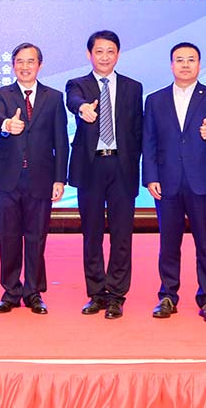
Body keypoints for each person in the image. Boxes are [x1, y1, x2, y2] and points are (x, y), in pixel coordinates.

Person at [142, 42, 206, 324]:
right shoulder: (155, 100)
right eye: (179, 60)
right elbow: (149, 141)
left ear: (199, 64)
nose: (185, 65)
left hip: (202, 180)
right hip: (166, 181)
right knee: (169, 242)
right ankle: (168, 295)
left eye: (191, 59)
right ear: (171, 65)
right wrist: (150, 177)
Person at [65, 30, 142, 319]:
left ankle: (117, 295)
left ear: (118, 54)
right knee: (92, 234)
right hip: (91, 167)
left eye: (110, 51)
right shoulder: (78, 85)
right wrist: (83, 108)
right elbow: (73, 100)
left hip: (122, 167)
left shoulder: (133, 87)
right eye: (99, 51)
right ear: (90, 55)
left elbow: (137, 129)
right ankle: (96, 293)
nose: (105, 57)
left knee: (122, 235)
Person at [0, 43, 68, 315]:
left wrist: (60, 179)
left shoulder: (54, 97)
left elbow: (61, 141)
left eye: (30, 61)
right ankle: (11, 291)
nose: (25, 67)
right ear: (13, 65)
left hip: (41, 178)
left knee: (36, 237)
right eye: (20, 61)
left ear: (39, 65)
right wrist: (6, 125)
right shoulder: (1, 94)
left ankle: (33, 292)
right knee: (9, 237)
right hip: (7, 178)